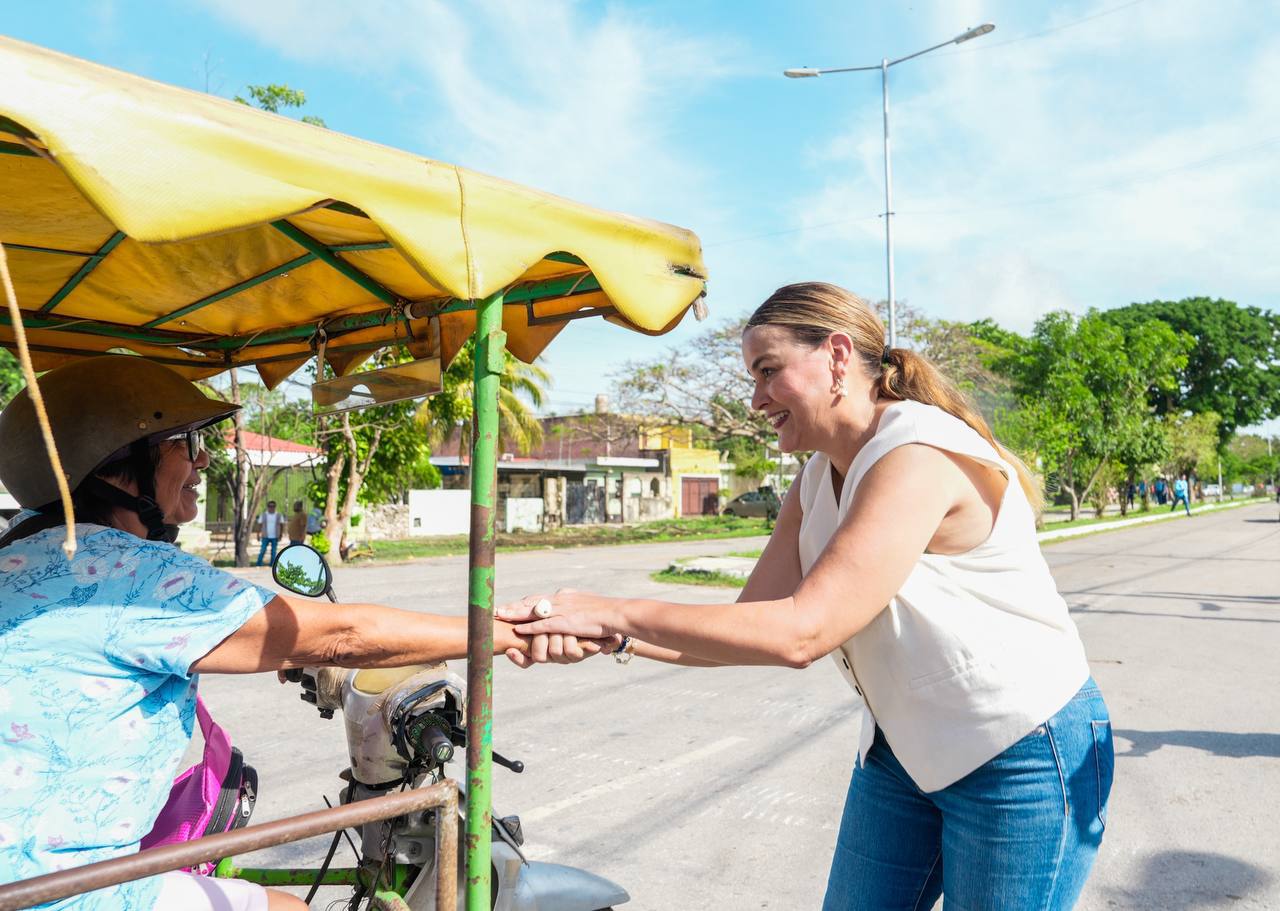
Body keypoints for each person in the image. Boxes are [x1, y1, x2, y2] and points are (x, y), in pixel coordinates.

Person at [502, 283, 1113, 910]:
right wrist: (613, 636)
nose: (756, 399)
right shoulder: (817, 476)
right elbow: (747, 625)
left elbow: (802, 633)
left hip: (1019, 752)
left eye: (769, 371)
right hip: (905, 752)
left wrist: (612, 609)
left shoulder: (919, 453)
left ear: (838, 356)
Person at [0, 355, 600, 911]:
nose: (202, 461)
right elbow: (343, 635)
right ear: (118, 462)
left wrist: (286, 650)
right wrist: (507, 632)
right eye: (186, 443)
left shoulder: (23, 553)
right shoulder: (127, 573)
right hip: (59, 886)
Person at [254, 500, 283, 566]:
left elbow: (282, 525)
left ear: (275, 507)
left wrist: (281, 534)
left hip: (275, 536)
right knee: (262, 550)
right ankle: (259, 563)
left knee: (273, 552)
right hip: (265, 536)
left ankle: (272, 564)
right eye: (270, 506)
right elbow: (259, 525)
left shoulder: (279, 515)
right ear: (267, 507)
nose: (271, 508)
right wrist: (258, 535)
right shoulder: (263, 515)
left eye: (273, 506)